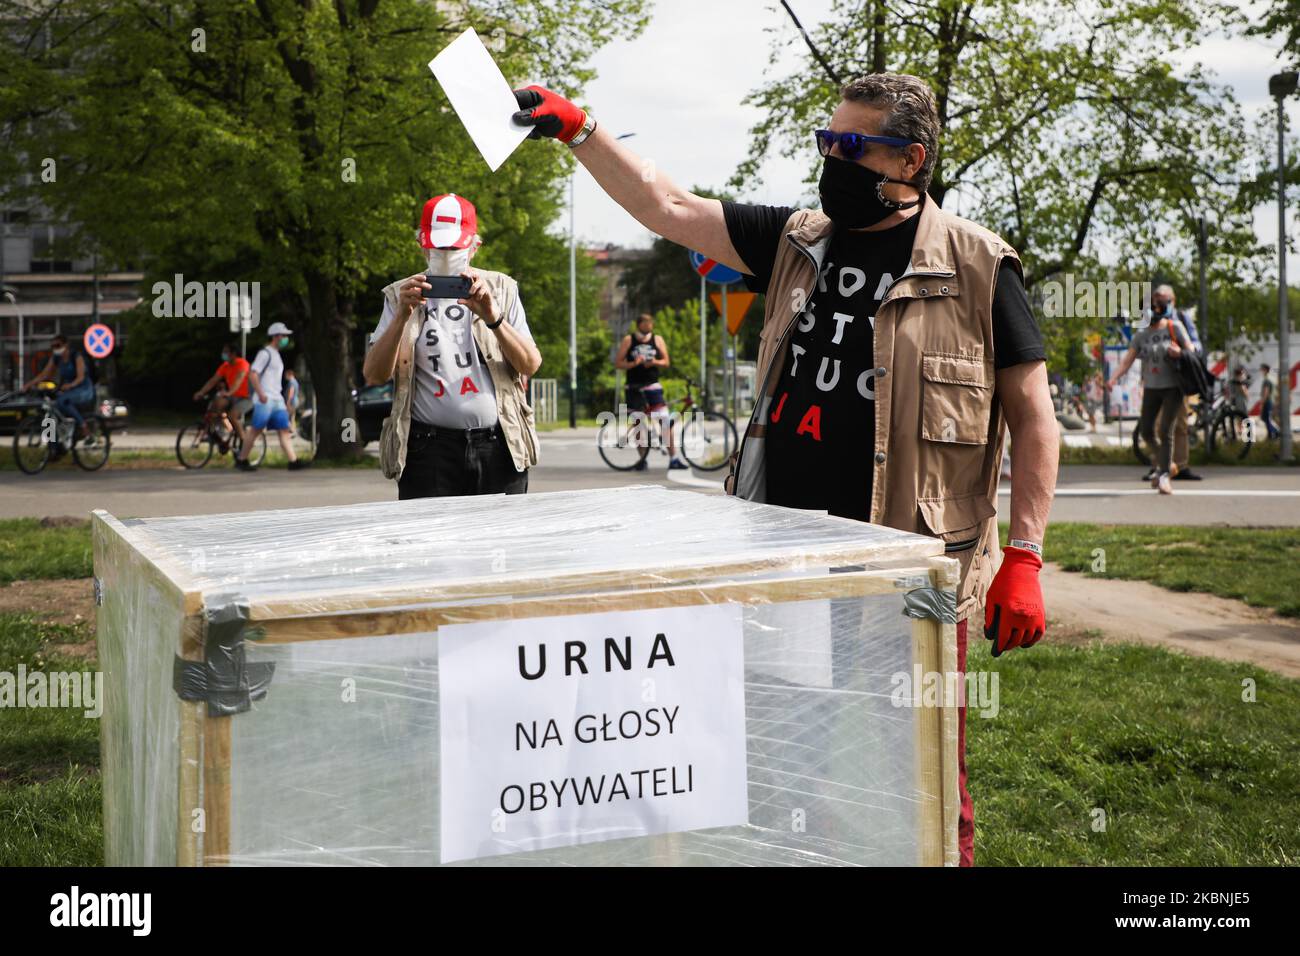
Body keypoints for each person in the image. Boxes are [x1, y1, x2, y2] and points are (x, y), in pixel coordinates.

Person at [513, 72, 1059, 867]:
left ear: (910, 161)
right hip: (787, 568)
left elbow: (1034, 418)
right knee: (785, 770)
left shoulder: (977, 266)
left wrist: (1027, 557)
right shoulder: (798, 240)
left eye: (851, 146)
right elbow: (670, 207)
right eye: (825, 143)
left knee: (931, 783)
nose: (832, 160)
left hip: (908, 580)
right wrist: (580, 129)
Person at [363, 193, 542, 499]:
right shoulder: (400, 295)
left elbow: (530, 364)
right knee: (431, 544)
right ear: (422, 242)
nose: (445, 254)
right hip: (427, 448)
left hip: (498, 444)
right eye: (438, 246)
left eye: (454, 246)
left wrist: (492, 317)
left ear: (475, 246)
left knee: (502, 544)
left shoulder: (502, 289)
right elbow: (375, 375)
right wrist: (401, 319)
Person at [1108, 306, 1193, 493]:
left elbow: (1191, 350)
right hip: (1151, 388)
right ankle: (1166, 463)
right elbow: (1127, 360)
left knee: (1165, 430)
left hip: (1173, 387)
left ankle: (1163, 476)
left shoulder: (1174, 327)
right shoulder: (1141, 335)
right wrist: (1113, 378)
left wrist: (1179, 352)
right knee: (1146, 430)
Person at [614, 313, 687, 471]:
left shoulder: (657, 339)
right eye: (646, 324)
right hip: (633, 387)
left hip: (653, 385)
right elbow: (618, 363)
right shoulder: (629, 340)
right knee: (639, 423)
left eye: (650, 324)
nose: (649, 326)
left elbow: (666, 362)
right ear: (639, 324)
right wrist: (634, 363)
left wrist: (654, 362)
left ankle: (674, 458)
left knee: (665, 421)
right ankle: (642, 459)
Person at [1146, 285, 1203, 481]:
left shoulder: (1181, 319)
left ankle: (1181, 465)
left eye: (1163, 299)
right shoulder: (1149, 321)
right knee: (1156, 425)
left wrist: (1181, 351)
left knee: (1180, 424)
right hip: (1155, 380)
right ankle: (1160, 466)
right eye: (1156, 299)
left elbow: (1196, 345)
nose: (1158, 303)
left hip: (1177, 379)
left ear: (1172, 300)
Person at [235, 322, 308, 472]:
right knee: (256, 429)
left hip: (277, 399)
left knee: (284, 430)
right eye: (284, 336)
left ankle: (293, 461)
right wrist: (261, 393)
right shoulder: (265, 353)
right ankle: (242, 460)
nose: (286, 338)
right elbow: (253, 373)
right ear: (275, 336)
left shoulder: (276, 354)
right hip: (266, 399)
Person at [25, 334, 96, 445]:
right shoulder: (56, 358)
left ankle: (84, 428)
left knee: (62, 401)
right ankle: (54, 445)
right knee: (50, 409)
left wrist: (71, 385)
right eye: (53, 346)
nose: (55, 349)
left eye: (58, 345)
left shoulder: (76, 356)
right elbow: (45, 374)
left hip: (83, 389)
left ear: (66, 345)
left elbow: (81, 377)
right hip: (68, 390)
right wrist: (29, 384)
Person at [193, 342, 251, 450]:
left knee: (232, 415)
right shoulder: (225, 366)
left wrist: (229, 392)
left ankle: (244, 443)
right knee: (216, 405)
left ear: (233, 354)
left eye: (226, 352)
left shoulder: (243, 363)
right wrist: (201, 392)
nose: (223, 354)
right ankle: (219, 435)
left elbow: (239, 380)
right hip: (232, 396)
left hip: (246, 398)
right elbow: (213, 380)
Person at [1259, 363, 1279, 440]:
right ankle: (1271, 434)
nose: (1261, 371)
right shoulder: (1272, 378)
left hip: (1267, 401)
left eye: (1262, 369)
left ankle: (1275, 432)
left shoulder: (1267, 380)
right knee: (1266, 418)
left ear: (1266, 370)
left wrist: (1262, 402)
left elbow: (1266, 392)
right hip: (1271, 400)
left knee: (1266, 418)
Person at [283, 368, 301, 433]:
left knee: (286, 416)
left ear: (289, 375)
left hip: (292, 402)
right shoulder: (295, 381)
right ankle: (293, 430)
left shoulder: (291, 382)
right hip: (295, 401)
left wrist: (288, 402)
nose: (285, 377)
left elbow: (291, 392)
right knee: (292, 417)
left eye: (286, 375)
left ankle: (291, 430)